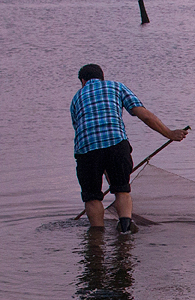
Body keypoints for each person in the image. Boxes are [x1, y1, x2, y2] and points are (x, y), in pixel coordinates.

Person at [72, 63, 187, 233]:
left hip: (86, 151)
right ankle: (125, 229)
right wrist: (169, 134)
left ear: (83, 81)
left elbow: (82, 131)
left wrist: (103, 168)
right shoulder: (116, 87)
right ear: (102, 77)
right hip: (117, 145)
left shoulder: (76, 98)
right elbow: (144, 115)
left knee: (92, 198)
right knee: (122, 190)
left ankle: (96, 240)